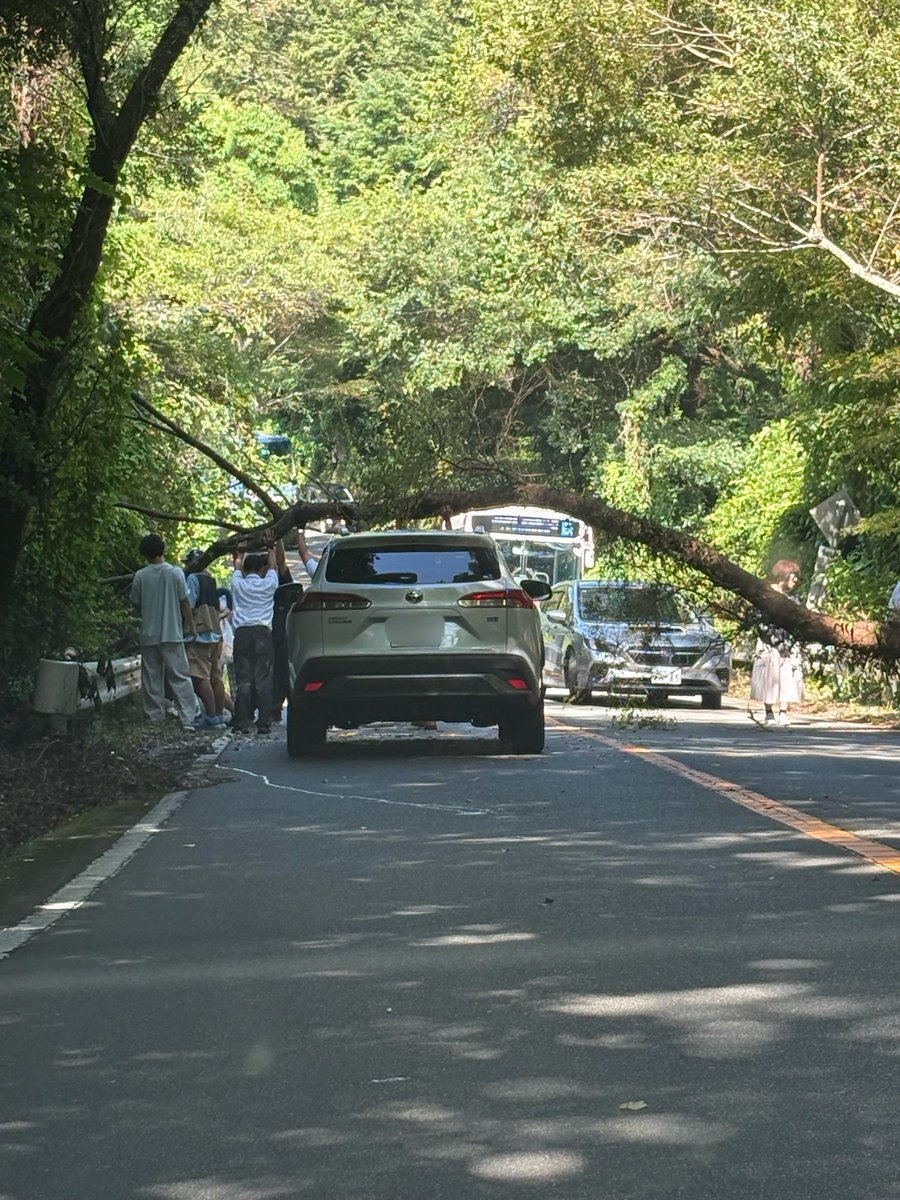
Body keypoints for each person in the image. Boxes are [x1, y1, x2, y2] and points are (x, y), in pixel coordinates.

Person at [131, 533, 200, 732]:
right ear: (163, 550)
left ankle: (155, 718)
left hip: (149, 633)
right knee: (179, 676)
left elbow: (136, 606)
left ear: (145, 554)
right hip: (172, 632)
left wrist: (137, 628)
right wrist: (192, 627)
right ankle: (188, 717)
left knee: (152, 677)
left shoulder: (140, 576)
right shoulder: (175, 573)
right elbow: (185, 603)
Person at [230, 539, 280, 734]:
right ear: (261, 570)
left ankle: (242, 721)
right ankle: (264, 722)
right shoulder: (268, 584)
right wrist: (271, 547)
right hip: (262, 634)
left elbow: (236, 566)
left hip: (242, 634)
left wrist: (240, 552)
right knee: (264, 679)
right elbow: (274, 565)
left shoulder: (237, 584)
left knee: (244, 680)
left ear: (245, 569)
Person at [750, 559, 804, 727]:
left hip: (788, 643)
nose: (795, 580)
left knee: (788, 676)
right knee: (769, 676)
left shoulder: (794, 598)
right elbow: (756, 618)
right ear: (784, 576)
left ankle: (783, 712)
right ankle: (769, 713)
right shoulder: (766, 595)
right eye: (793, 576)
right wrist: (770, 637)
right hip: (768, 642)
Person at [183, 549, 226, 728]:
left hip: (200, 634)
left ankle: (210, 716)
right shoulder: (211, 578)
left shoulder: (193, 579)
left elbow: (189, 604)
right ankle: (219, 715)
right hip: (216, 633)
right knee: (216, 677)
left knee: (201, 677)